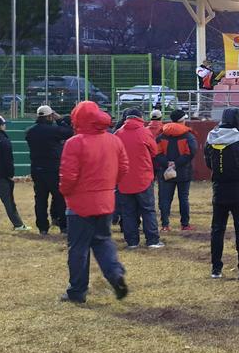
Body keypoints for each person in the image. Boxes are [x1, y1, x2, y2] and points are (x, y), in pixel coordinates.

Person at [59, 101, 130, 304]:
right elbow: (124, 167)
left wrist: (65, 192)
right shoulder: (114, 140)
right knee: (103, 241)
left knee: (78, 248)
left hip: (80, 204)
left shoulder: (74, 142)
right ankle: (115, 273)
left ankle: (77, 291)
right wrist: (108, 186)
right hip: (105, 201)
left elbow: (68, 176)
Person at [205, 107, 239, 279]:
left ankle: (216, 269)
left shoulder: (211, 138)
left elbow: (209, 163)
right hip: (238, 189)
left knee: (217, 229)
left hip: (218, 189)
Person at [114, 108, 163, 249]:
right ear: (140, 117)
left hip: (123, 179)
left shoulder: (118, 134)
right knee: (148, 210)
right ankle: (152, 240)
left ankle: (132, 242)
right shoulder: (144, 132)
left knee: (128, 212)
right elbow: (154, 151)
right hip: (143, 177)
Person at [24, 104, 73, 234]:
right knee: (59, 198)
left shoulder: (30, 131)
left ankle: (43, 227)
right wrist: (60, 119)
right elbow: (69, 132)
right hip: (52, 168)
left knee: (40, 199)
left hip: (36, 168)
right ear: (50, 116)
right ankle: (63, 226)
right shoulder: (53, 130)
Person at [155, 109, 198, 234]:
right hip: (183, 171)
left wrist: (167, 163)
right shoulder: (188, 136)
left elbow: (157, 153)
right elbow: (191, 152)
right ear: (182, 120)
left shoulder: (161, 135)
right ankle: (185, 224)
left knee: (165, 199)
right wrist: (176, 163)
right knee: (183, 198)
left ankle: (165, 225)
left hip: (165, 171)